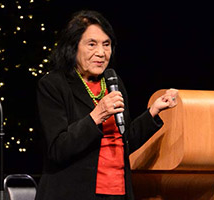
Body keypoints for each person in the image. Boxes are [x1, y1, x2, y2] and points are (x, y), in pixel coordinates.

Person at [35, 10, 178, 200]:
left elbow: (124, 141)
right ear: (73, 46)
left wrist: (153, 112)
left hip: (117, 191)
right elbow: (57, 149)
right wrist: (97, 116)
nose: (101, 53)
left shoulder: (112, 82)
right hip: (73, 192)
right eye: (92, 44)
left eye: (107, 44)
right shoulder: (53, 84)